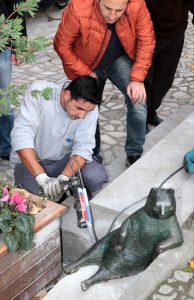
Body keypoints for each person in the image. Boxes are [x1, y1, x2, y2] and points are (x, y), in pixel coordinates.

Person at [53, 0, 155, 167]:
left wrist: (137, 79)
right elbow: (61, 45)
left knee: (138, 101)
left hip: (118, 59)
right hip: (86, 64)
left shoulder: (138, 4)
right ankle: (93, 154)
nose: (112, 15)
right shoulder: (78, 7)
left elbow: (147, 40)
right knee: (88, 109)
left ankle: (134, 152)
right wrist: (85, 73)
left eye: (119, 10)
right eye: (107, 8)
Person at [10, 76, 108, 199]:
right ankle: (63, 188)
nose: (83, 116)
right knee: (35, 199)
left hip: (65, 159)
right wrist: (40, 176)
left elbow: (84, 146)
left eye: (87, 111)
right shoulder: (38, 92)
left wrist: (64, 177)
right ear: (67, 94)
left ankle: (67, 186)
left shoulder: (89, 107)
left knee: (95, 176)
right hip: (35, 160)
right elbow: (22, 135)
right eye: (79, 109)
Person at [145, 0, 191, 127]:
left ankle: (150, 111)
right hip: (147, 34)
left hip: (175, 34)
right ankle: (141, 118)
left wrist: (183, 23)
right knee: (144, 80)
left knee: (164, 80)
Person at [0, 0, 27, 160]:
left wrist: (19, 46)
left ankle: (5, 147)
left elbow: (17, 7)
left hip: (1, 49)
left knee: (3, 100)